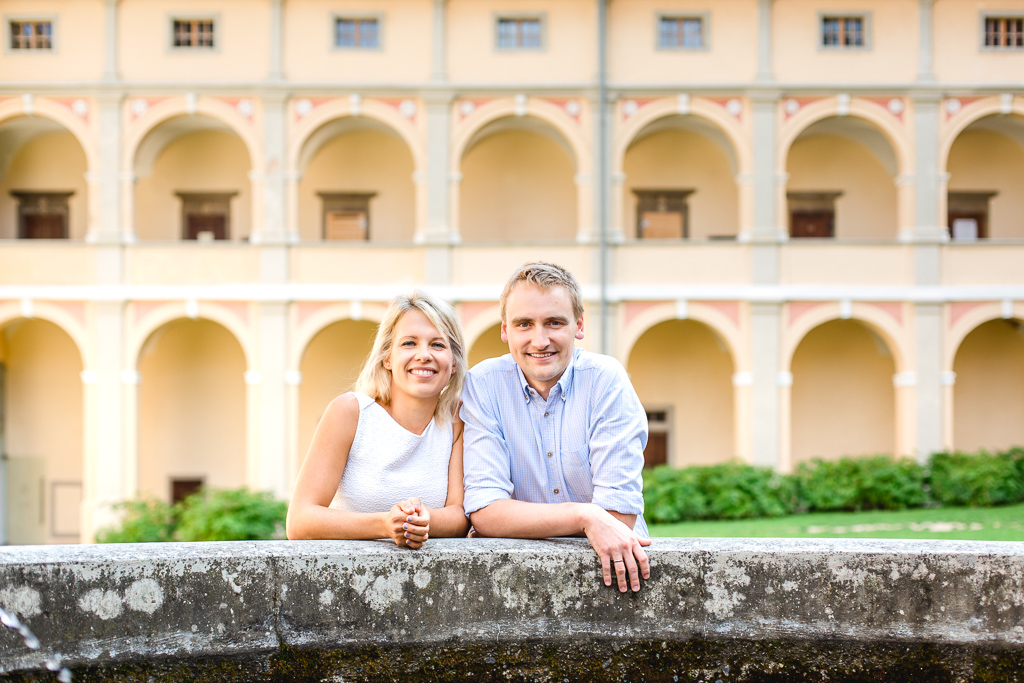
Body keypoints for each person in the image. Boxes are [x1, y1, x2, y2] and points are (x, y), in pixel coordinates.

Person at [461, 262, 652, 592]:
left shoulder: (607, 381)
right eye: (524, 324)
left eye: (554, 322)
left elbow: (618, 518)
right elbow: (485, 511)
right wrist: (587, 516)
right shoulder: (483, 385)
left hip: (615, 578)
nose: (540, 340)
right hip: (520, 582)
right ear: (505, 330)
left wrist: (514, 523)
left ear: (578, 326)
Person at [287, 292, 470, 548]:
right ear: (387, 357)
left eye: (438, 345)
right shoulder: (349, 412)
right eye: (409, 343)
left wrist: (424, 520)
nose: (424, 355)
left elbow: (460, 516)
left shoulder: (458, 420)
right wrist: (385, 524)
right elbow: (300, 520)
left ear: (453, 363)